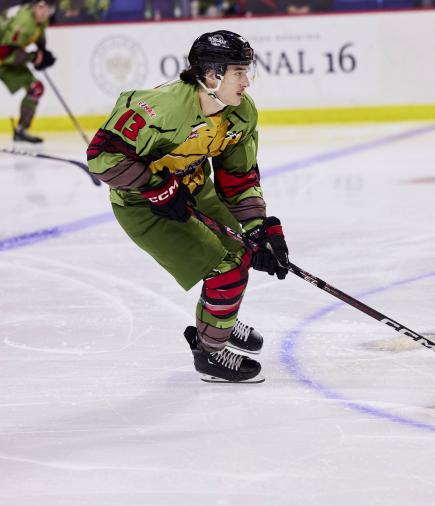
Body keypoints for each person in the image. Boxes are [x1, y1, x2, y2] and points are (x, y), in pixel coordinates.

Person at [86, 30, 289, 383]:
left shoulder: (240, 114)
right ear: (212, 75)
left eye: (247, 71)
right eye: (239, 73)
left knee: (243, 250)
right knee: (226, 270)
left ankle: (219, 318)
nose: (247, 82)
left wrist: (259, 228)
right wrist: (154, 186)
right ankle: (210, 353)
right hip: (142, 205)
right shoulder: (163, 109)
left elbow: (238, 177)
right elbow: (101, 157)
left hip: (192, 187)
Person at [0, 0, 56, 143]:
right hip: (4, 58)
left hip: (7, 61)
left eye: (48, 9)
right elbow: (4, 52)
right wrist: (33, 57)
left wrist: (42, 52)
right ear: (34, 6)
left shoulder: (41, 20)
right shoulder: (24, 22)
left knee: (35, 88)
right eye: (41, 7)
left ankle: (21, 130)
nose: (44, 12)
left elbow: (39, 35)